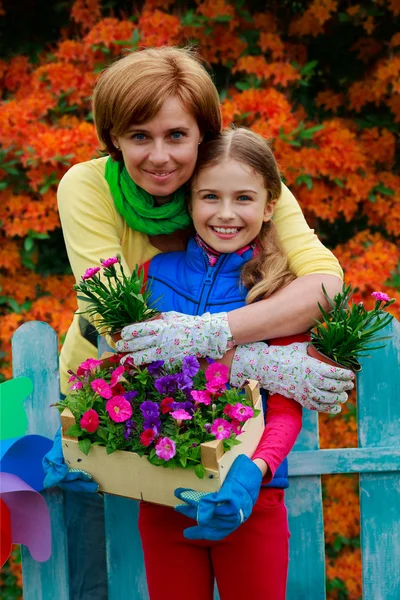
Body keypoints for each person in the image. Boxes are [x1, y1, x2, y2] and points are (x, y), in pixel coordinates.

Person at [45, 46, 354, 599]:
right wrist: (263, 361)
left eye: (176, 136)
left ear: (204, 135)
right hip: (119, 409)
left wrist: (216, 335)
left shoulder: (239, 182)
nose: (159, 156)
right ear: (113, 137)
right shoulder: (87, 187)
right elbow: (118, 320)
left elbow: (326, 287)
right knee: (93, 573)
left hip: (231, 441)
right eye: (139, 136)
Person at [120, 126, 315, 599]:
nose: (225, 214)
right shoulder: (151, 277)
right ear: (190, 201)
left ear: (270, 206)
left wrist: (256, 472)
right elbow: (125, 379)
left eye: (244, 198)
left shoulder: (281, 293)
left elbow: (287, 406)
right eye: (210, 196)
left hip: (251, 501)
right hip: (166, 492)